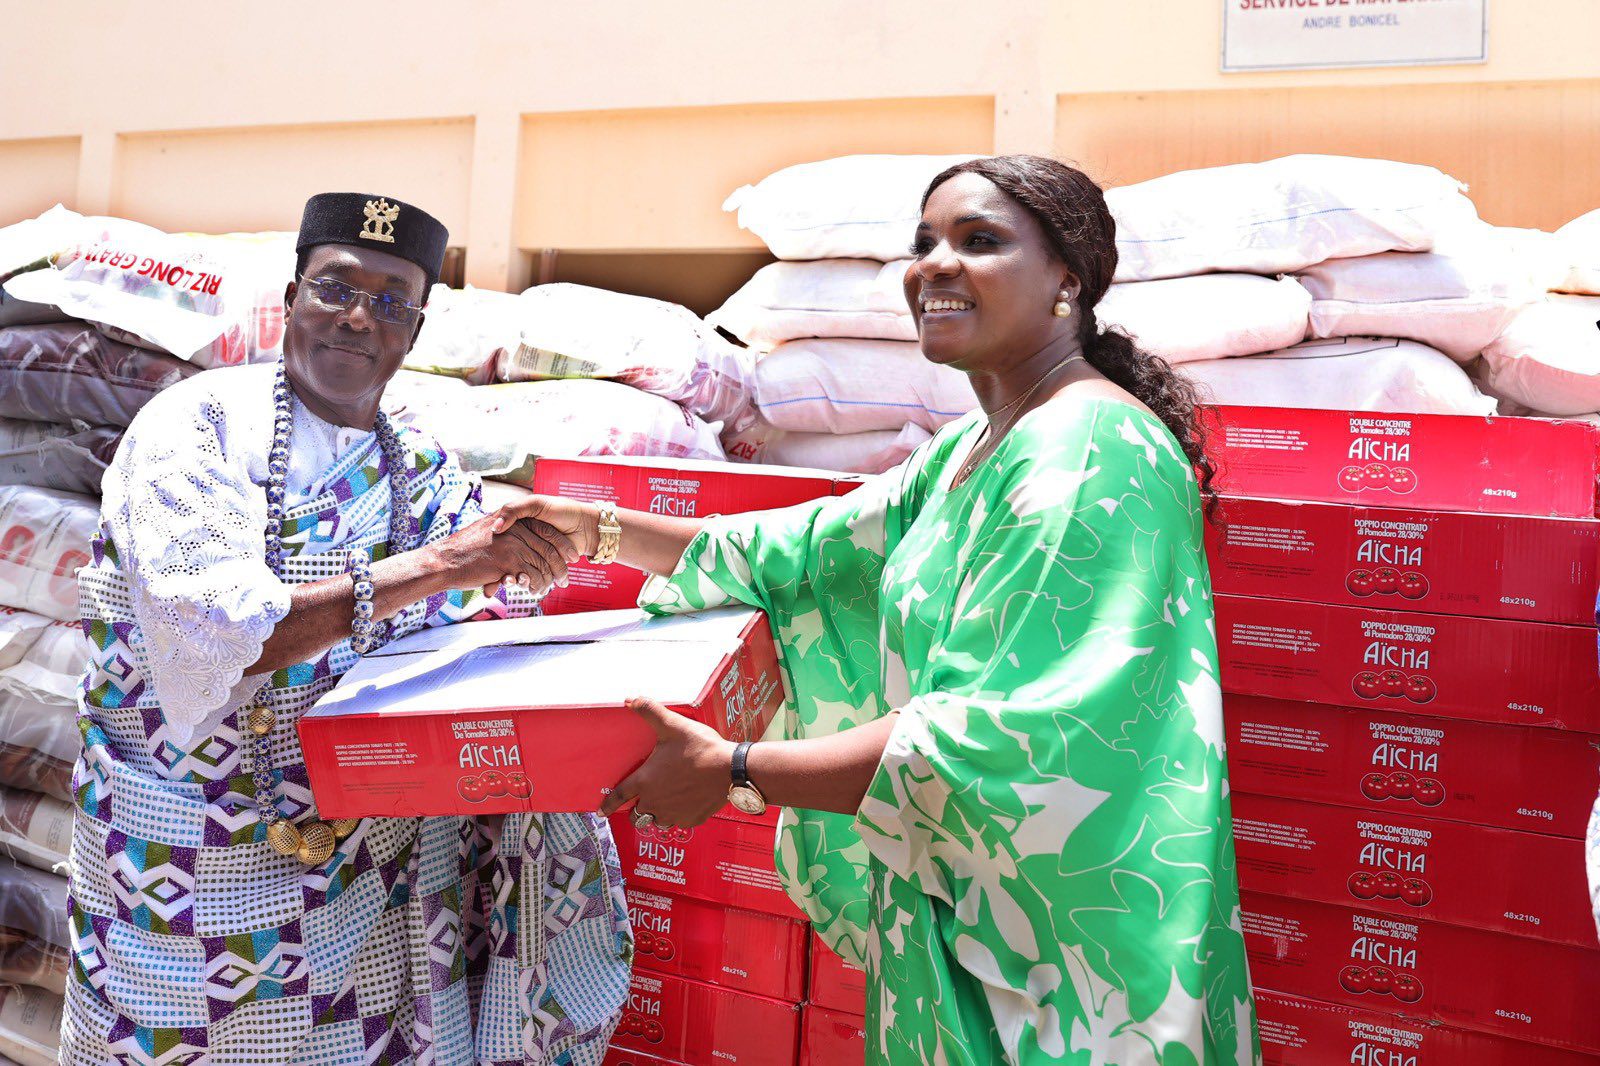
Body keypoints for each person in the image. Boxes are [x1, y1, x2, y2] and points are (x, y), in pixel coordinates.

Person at [499, 157, 1259, 1064]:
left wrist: (734, 768)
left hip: (1069, 971)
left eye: (979, 241)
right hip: (968, 927)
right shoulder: (973, 449)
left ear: (1069, 278)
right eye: (924, 242)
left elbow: (1011, 737)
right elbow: (807, 553)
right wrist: (597, 529)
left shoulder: (1087, 453)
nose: (935, 265)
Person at [62, 193, 628, 1064]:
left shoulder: (425, 465)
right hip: (184, 867)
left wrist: (535, 566)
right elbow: (221, 631)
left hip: (365, 879)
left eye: (390, 300)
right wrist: (444, 566)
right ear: (291, 297)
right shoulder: (194, 427)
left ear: (416, 327)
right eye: (335, 289)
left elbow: (492, 618)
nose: (359, 316)